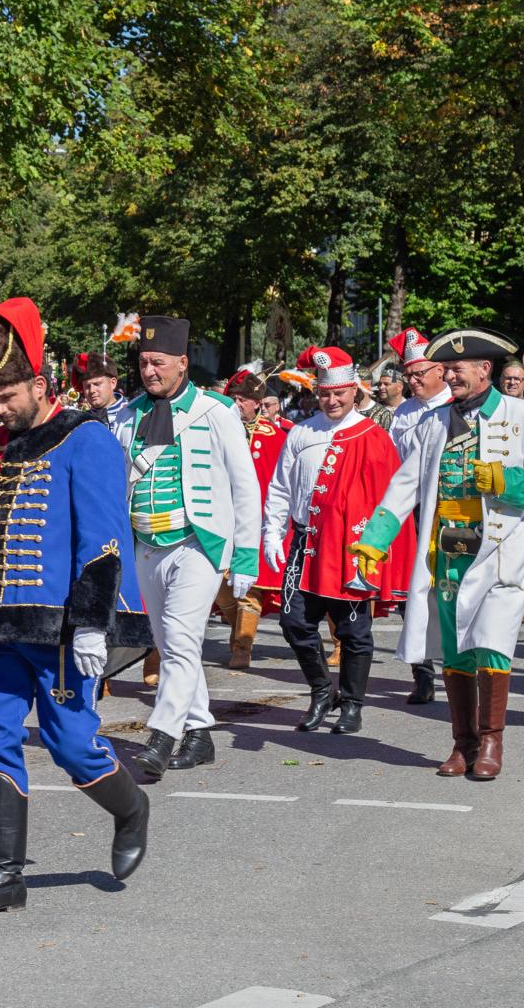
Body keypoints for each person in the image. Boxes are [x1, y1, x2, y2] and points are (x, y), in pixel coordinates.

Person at [0, 298, 151, 918]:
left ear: (39, 383)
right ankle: (5, 876)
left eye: (6, 395)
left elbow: (103, 539)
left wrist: (91, 625)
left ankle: (132, 807)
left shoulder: (87, 438)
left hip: (59, 626)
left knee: (71, 745)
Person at [351, 330, 524, 779]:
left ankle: (491, 742)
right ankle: (463, 744)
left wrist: (505, 480)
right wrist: (375, 538)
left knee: (493, 645)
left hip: (499, 551)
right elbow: (405, 483)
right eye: (445, 369)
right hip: (447, 552)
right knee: (456, 650)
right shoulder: (433, 422)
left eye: (457, 369)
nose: (449, 377)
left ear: (485, 369)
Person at [114, 315, 261, 774]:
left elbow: (245, 486)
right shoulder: (128, 415)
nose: (149, 371)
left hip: (199, 541)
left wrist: (245, 556)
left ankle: (162, 735)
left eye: (158, 362)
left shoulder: (215, 412)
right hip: (146, 543)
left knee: (179, 638)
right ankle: (199, 734)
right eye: (143, 362)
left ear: (182, 362)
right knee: (168, 641)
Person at [263, 346, 404, 737]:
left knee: (353, 630)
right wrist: (272, 531)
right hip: (305, 542)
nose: (332, 400)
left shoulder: (373, 436)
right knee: (294, 621)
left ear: (354, 390)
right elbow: (280, 486)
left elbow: (392, 495)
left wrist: (379, 546)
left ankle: (353, 703)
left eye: (339, 393)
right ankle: (323, 691)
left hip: (350, 547)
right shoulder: (302, 432)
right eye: (325, 394)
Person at [385, 328, 454, 705]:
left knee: (449, 588)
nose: (412, 381)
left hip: (447, 509)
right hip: (409, 510)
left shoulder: (455, 405)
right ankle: (422, 671)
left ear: (440, 371)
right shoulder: (404, 412)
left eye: (418, 374)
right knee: (410, 591)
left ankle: (456, 665)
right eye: (408, 375)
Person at [214, 369, 288, 667]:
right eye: (232, 398)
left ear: (257, 403)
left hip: (255, 521)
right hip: (219, 519)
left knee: (250, 588)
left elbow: (279, 484)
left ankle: (241, 647)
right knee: (220, 588)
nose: (236, 404)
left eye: (242, 399)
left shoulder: (274, 437)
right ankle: (238, 633)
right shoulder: (215, 429)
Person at [71, 352, 126, 421]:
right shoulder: (80, 422)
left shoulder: (134, 415)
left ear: (113, 383)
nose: (92, 390)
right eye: (87, 386)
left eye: (97, 384)